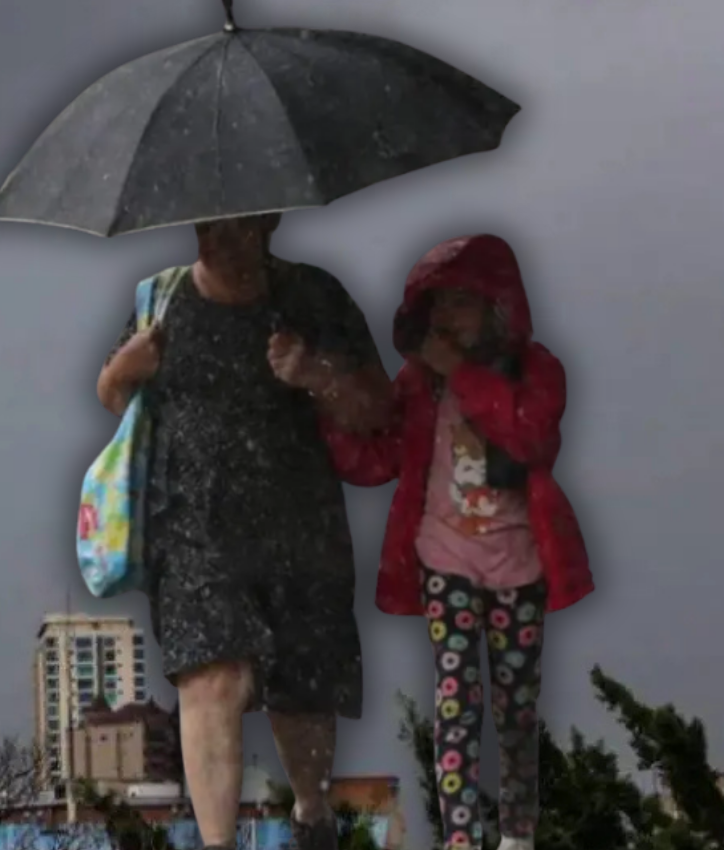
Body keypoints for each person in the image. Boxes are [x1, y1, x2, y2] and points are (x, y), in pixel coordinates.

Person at [97, 213, 392, 850]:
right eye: (206, 227)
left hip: (300, 527)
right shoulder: (163, 299)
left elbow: (376, 407)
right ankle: (217, 843)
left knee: (301, 687)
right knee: (211, 677)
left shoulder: (314, 296)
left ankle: (312, 814)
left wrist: (314, 372)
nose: (216, 241)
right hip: (193, 530)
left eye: (233, 229)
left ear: (268, 223)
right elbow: (116, 398)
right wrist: (125, 369)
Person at [325, 234, 593, 850]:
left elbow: (530, 441)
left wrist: (463, 375)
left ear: (497, 306)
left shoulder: (538, 371)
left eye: (463, 303)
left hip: (519, 562)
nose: (448, 319)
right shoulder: (420, 385)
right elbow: (380, 455)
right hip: (443, 558)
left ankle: (519, 835)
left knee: (516, 708)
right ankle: (461, 838)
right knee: (455, 699)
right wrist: (325, 414)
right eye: (439, 305)